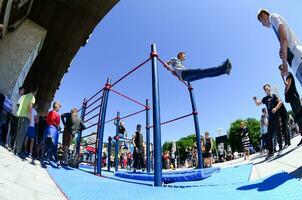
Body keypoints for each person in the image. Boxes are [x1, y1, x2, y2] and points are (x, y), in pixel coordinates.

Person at [257, 9, 302, 86]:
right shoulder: (274, 25)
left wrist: (284, 65)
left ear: (264, 15)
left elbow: (283, 39)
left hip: (298, 59)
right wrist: (283, 51)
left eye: (261, 21)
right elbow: (284, 41)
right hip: (296, 65)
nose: (263, 25)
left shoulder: (272, 17)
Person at [253, 84, 283, 158]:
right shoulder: (265, 99)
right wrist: (255, 100)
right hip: (270, 119)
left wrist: (275, 108)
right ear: (264, 91)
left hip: (276, 116)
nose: (267, 90)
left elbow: (280, 102)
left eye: (267, 88)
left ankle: (281, 148)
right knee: (269, 135)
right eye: (265, 89)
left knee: (279, 133)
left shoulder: (274, 95)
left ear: (270, 88)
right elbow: (257, 104)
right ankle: (271, 152)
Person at [166, 52, 232, 82]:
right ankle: (223, 68)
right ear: (180, 55)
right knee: (202, 71)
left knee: (205, 75)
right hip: (184, 74)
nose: (184, 57)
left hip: (186, 78)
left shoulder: (182, 64)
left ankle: (223, 71)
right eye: (184, 55)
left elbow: (175, 72)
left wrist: (179, 77)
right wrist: (167, 66)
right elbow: (167, 63)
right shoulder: (175, 59)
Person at [279, 64, 302, 146]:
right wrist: (282, 78)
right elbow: (286, 84)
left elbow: (287, 87)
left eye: (282, 69)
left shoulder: (289, 75)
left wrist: (285, 90)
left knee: (300, 115)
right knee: (297, 116)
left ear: (285, 68)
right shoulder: (287, 77)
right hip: (292, 99)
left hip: (295, 98)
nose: (281, 71)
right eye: (280, 70)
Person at [14, 86, 37, 156]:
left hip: (20, 115)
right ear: (35, 91)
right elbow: (30, 108)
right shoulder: (32, 97)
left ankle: (15, 148)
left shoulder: (24, 96)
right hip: (25, 117)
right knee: (22, 134)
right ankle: (17, 151)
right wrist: (30, 118)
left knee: (18, 133)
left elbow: (18, 104)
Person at [44, 102, 61, 167]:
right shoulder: (57, 115)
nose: (59, 109)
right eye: (59, 107)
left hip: (49, 129)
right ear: (57, 107)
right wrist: (58, 129)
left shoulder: (49, 113)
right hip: (54, 130)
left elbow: (47, 121)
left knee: (50, 145)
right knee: (53, 146)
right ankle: (56, 161)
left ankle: (49, 159)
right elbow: (58, 126)